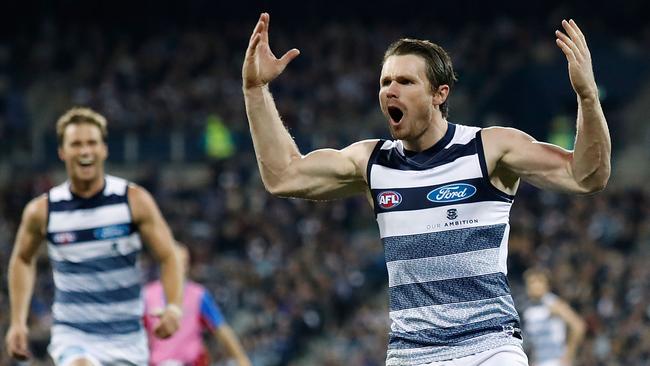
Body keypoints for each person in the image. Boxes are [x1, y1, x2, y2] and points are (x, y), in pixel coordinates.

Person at [242, 12, 610, 366]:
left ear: (439, 93)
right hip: (410, 355)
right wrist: (255, 89)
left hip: (489, 346)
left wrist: (588, 97)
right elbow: (284, 176)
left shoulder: (490, 149)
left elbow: (587, 176)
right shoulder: (372, 162)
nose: (390, 90)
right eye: (385, 82)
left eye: (405, 81)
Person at [5, 107, 185, 366]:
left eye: (91, 142)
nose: (85, 151)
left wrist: (174, 307)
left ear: (104, 149)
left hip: (127, 341)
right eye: (76, 144)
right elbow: (22, 259)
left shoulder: (133, 200)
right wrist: (18, 323)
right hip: (73, 335)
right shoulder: (42, 210)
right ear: (62, 152)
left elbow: (169, 255)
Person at [143, 243, 251, 366]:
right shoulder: (147, 296)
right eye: (174, 261)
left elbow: (221, 328)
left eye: (183, 262)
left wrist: (242, 359)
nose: (179, 267)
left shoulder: (198, 295)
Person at [522, 268, 586, 366]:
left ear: (547, 285)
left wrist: (569, 355)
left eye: (539, 281)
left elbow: (578, 326)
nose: (534, 285)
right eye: (531, 282)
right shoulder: (528, 309)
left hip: (555, 361)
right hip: (538, 361)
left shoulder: (554, 304)